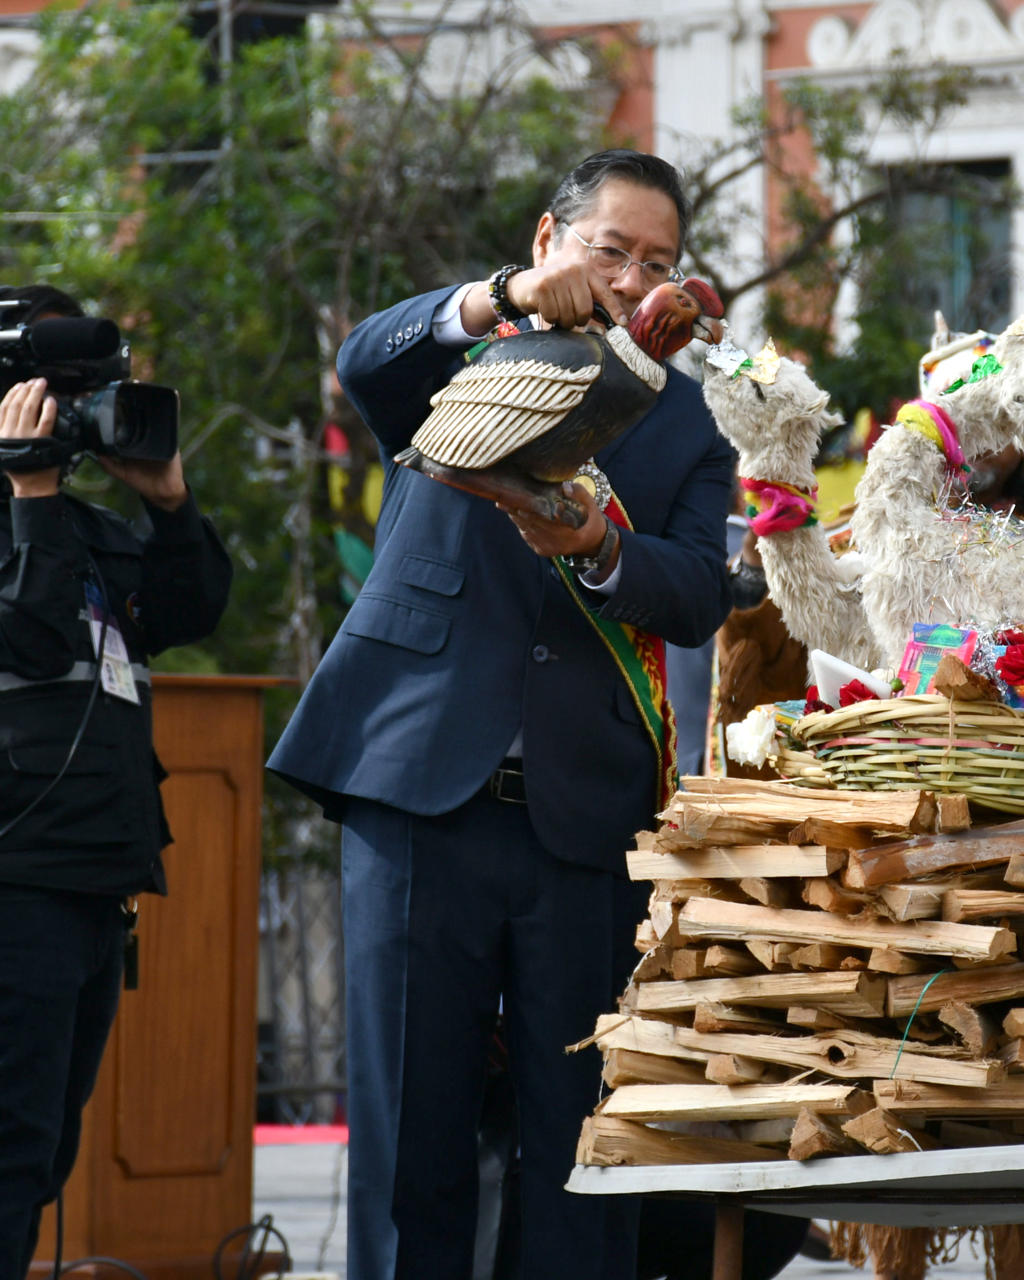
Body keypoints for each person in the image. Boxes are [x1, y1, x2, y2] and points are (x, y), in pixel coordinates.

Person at [267, 150, 739, 1278]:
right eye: (610, 249)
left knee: (580, 1145)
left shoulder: (687, 427)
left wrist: (602, 545)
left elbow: (695, 589)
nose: (632, 279)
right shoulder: (459, 356)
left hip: (583, 822)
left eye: (659, 262)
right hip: (417, 785)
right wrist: (503, 301)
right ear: (548, 240)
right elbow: (357, 357)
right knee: (406, 1137)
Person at [0, 285, 232, 1278]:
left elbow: (191, 602)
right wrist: (29, 496)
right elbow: (27, 635)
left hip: (90, 875)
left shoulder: (80, 526)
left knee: (36, 1154)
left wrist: (167, 500)